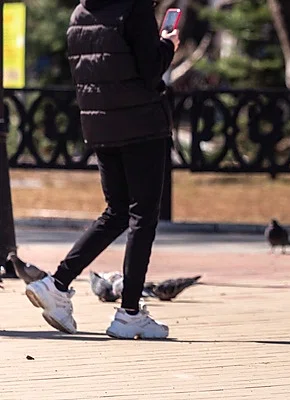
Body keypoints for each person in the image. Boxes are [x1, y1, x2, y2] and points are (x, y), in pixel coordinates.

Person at [25, 0, 180, 339]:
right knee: (142, 215)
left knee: (117, 212)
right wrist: (168, 44)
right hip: (141, 124)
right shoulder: (134, 8)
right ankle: (129, 313)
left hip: (100, 125)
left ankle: (57, 283)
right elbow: (150, 67)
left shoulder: (81, 12)